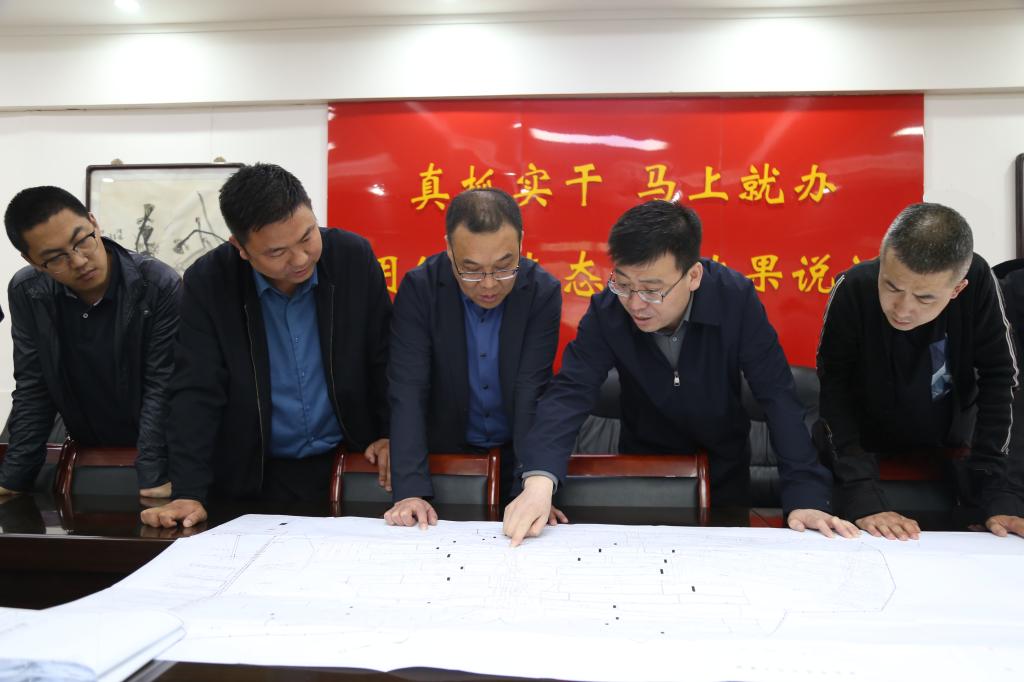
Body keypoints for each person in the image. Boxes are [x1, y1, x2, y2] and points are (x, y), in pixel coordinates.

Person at [502, 200, 855, 545]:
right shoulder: (609, 311)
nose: (635, 304)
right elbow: (569, 393)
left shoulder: (734, 299)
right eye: (623, 284)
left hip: (723, 471)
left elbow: (777, 395)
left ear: (693, 276)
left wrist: (807, 495)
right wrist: (538, 481)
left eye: (652, 290)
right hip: (643, 472)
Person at [141, 163, 391, 528]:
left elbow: (384, 354)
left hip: (347, 461)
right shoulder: (210, 282)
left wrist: (389, 432)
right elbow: (196, 389)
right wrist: (189, 491)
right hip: (252, 471)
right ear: (240, 248)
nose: (301, 259)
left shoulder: (352, 258)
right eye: (277, 252)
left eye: (307, 237)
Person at [816, 202, 1024, 540]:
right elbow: (834, 394)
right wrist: (862, 494)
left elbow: (1001, 380)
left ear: (957, 289)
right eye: (892, 287)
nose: (902, 309)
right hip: (864, 443)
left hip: (951, 442)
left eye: (925, 298)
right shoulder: (853, 287)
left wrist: (1001, 493)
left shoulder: (978, 282)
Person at [383, 188, 562, 528]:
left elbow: (531, 390)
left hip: (517, 447)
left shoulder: (541, 291)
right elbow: (408, 388)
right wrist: (410, 491)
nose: (489, 284)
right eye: (472, 270)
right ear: (449, 249)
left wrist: (533, 489)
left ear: (521, 243)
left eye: (504, 267)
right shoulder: (420, 288)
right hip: (444, 457)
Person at [1, 186, 180, 496]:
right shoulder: (28, 291)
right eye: (55, 258)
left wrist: (154, 475)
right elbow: (33, 387)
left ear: (94, 222)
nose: (79, 261)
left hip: (164, 448)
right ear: (31, 260)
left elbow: (161, 387)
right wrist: (11, 482)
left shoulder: (157, 285)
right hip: (85, 444)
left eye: (82, 240)